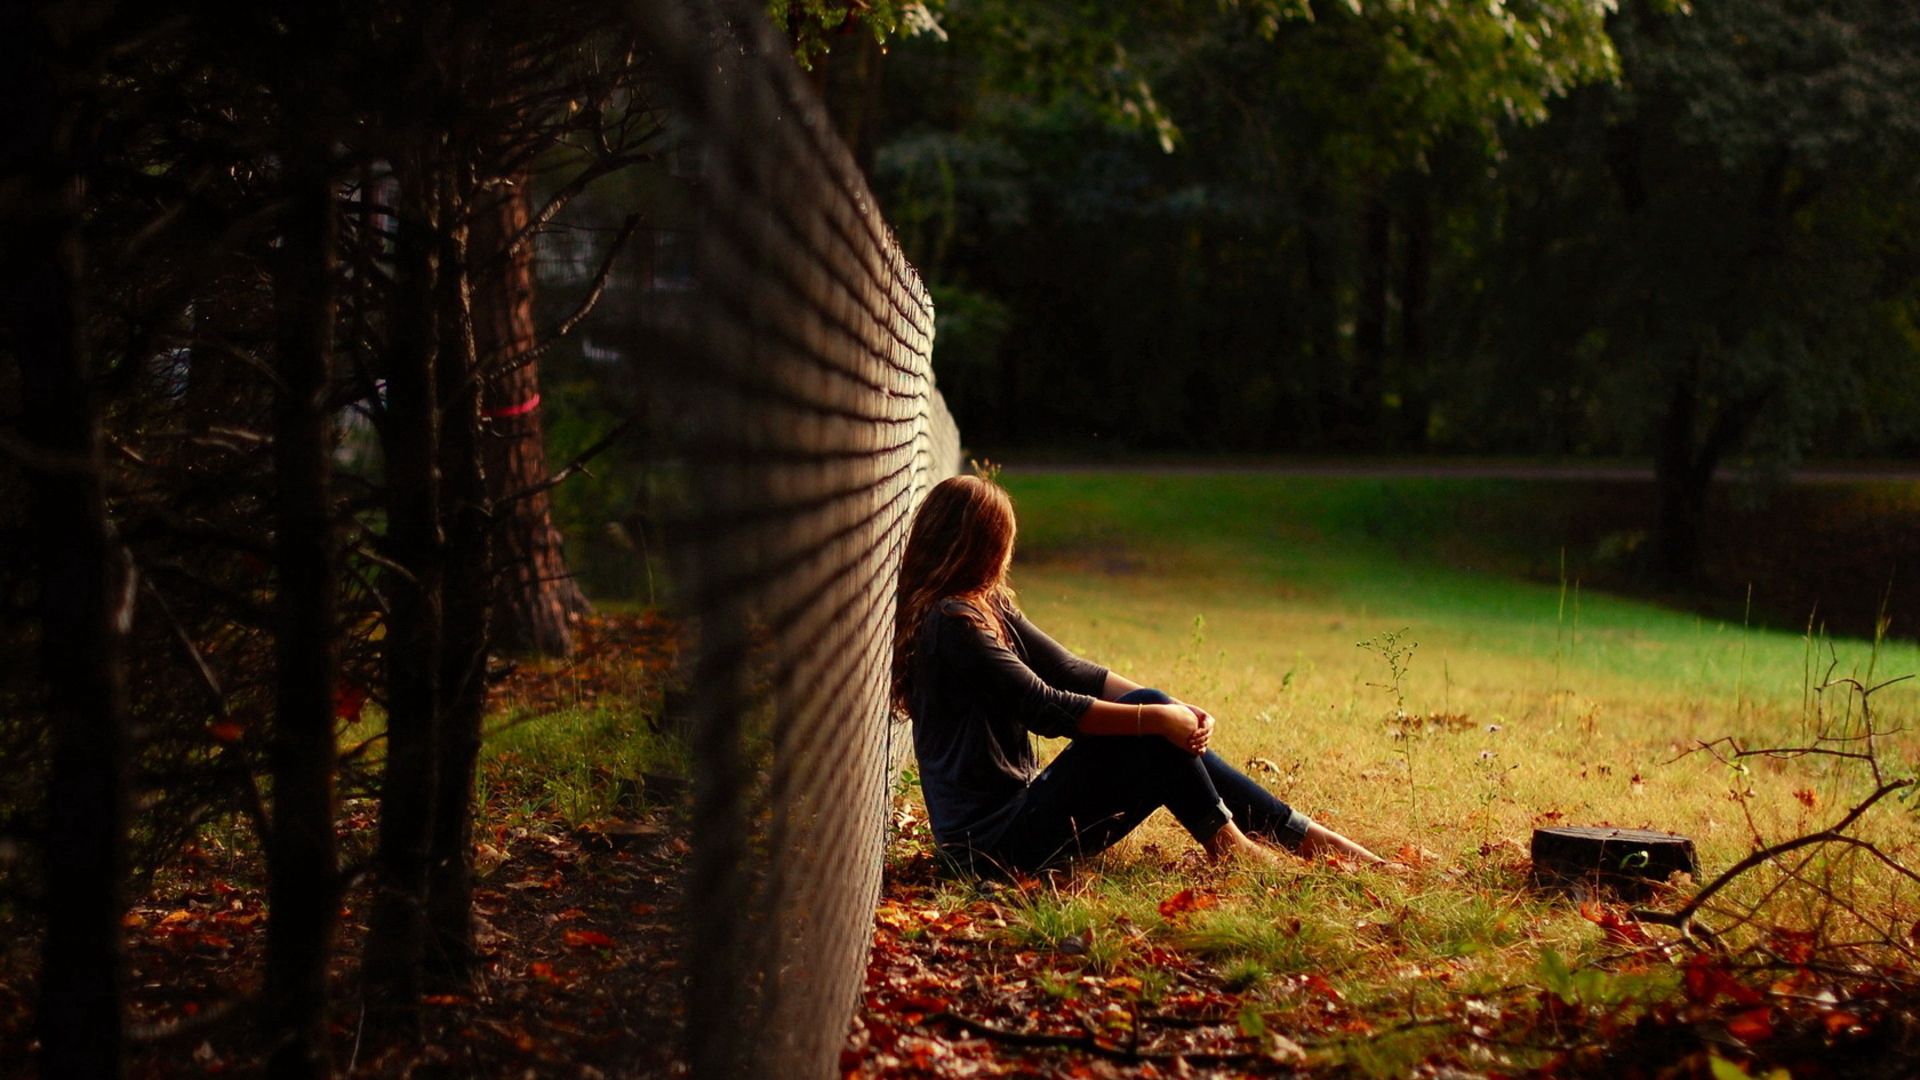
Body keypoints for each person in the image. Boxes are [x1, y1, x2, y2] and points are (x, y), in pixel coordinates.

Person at [891, 474, 1391, 876]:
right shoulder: (952, 623)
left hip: (1018, 817)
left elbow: (1070, 670)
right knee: (1148, 727)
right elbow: (1045, 707)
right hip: (987, 848)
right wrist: (1155, 717)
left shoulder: (984, 606)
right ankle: (1237, 847)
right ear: (981, 548)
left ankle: (1306, 838)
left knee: (1151, 718)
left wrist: (1170, 709)